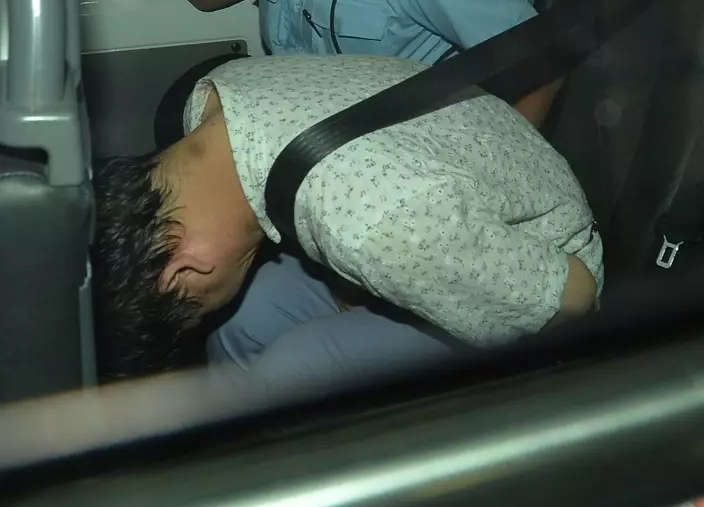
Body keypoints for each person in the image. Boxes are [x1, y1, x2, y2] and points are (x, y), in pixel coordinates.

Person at [91, 55, 603, 402]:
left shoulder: (380, 226)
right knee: (240, 322)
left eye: (194, 306)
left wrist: (409, 276)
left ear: (186, 268)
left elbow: (574, 297)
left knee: (295, 371)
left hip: (541, 265)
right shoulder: (210, 101)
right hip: (437, 206)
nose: (205, 308)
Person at [151, 0, 562, 128]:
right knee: (184, 111)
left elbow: (542, 62)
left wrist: (483, 179)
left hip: (401, 134)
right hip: (308, 109)